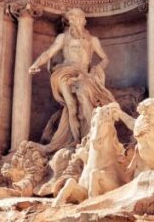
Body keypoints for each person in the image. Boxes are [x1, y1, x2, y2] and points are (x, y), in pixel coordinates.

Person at [29, 8, 117, 148]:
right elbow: (49, 53)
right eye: (71, 18)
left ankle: (89, 135)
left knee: (85, 101)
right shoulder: (63, 38)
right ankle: (76, 140)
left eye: (76, 17)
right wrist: (36, 64)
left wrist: (98, 68)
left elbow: (105, 58)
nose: (73, 20)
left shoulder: (93, 40)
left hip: (84, 74)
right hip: (65, 72)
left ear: (83, 20)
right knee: (71, 104)